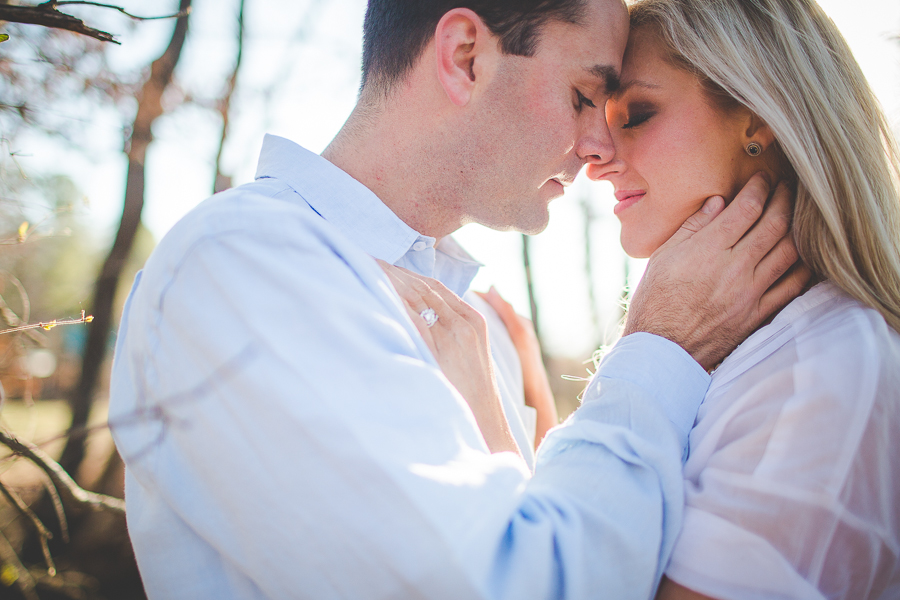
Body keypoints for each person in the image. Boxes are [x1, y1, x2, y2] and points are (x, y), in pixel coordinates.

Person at [107, 1, 807, 598]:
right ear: (467, 57)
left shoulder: (474, 325)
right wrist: (660, 350)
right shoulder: (245, 266)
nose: (598, 147)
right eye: (583, 97)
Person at [398, 0, 899, 597]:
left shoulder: (830, 368)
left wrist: (488, 429)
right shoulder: (735, 349)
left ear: (756, 118)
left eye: (635, 113)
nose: (595, 155)